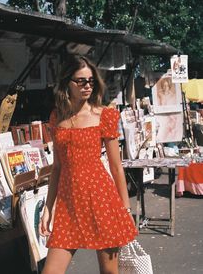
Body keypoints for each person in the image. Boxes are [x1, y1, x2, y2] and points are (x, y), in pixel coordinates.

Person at [39, 55, 138, 274]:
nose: (87, 86)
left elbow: (116, 167)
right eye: (81, 81)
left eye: (91, 81)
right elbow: (57, 167)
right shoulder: (57, 117)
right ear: (67, 82)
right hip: (67, 206)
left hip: (101, 201)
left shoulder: (105, 115)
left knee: (109, 272)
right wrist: (48, 208)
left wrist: (125, 209)